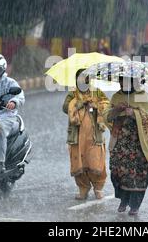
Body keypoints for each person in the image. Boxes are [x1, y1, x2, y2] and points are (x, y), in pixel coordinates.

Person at [105, 76, 148, 215]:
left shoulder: (143, 97)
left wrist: (135, 114)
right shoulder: (116, 97)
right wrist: (116, 110)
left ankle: (135, 205)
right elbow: (106, 116)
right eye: (119, 81)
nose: (121, 83)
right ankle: (123, 200)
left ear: (133, 82)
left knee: (138, 174)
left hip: (139, 145)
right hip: (120, 142)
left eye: (124, 81)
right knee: (118, 171)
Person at [62, 69, 110, 200]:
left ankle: (98, 188)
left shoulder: (97, 91)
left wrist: (95, 105)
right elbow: (65, 107)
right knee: (79, 162)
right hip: (77, 135)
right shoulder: (73, 93)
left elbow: (106, 104)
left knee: (96, 161)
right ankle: (83, 188)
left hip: (94, 134)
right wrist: (78, 104)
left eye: (85, 79)